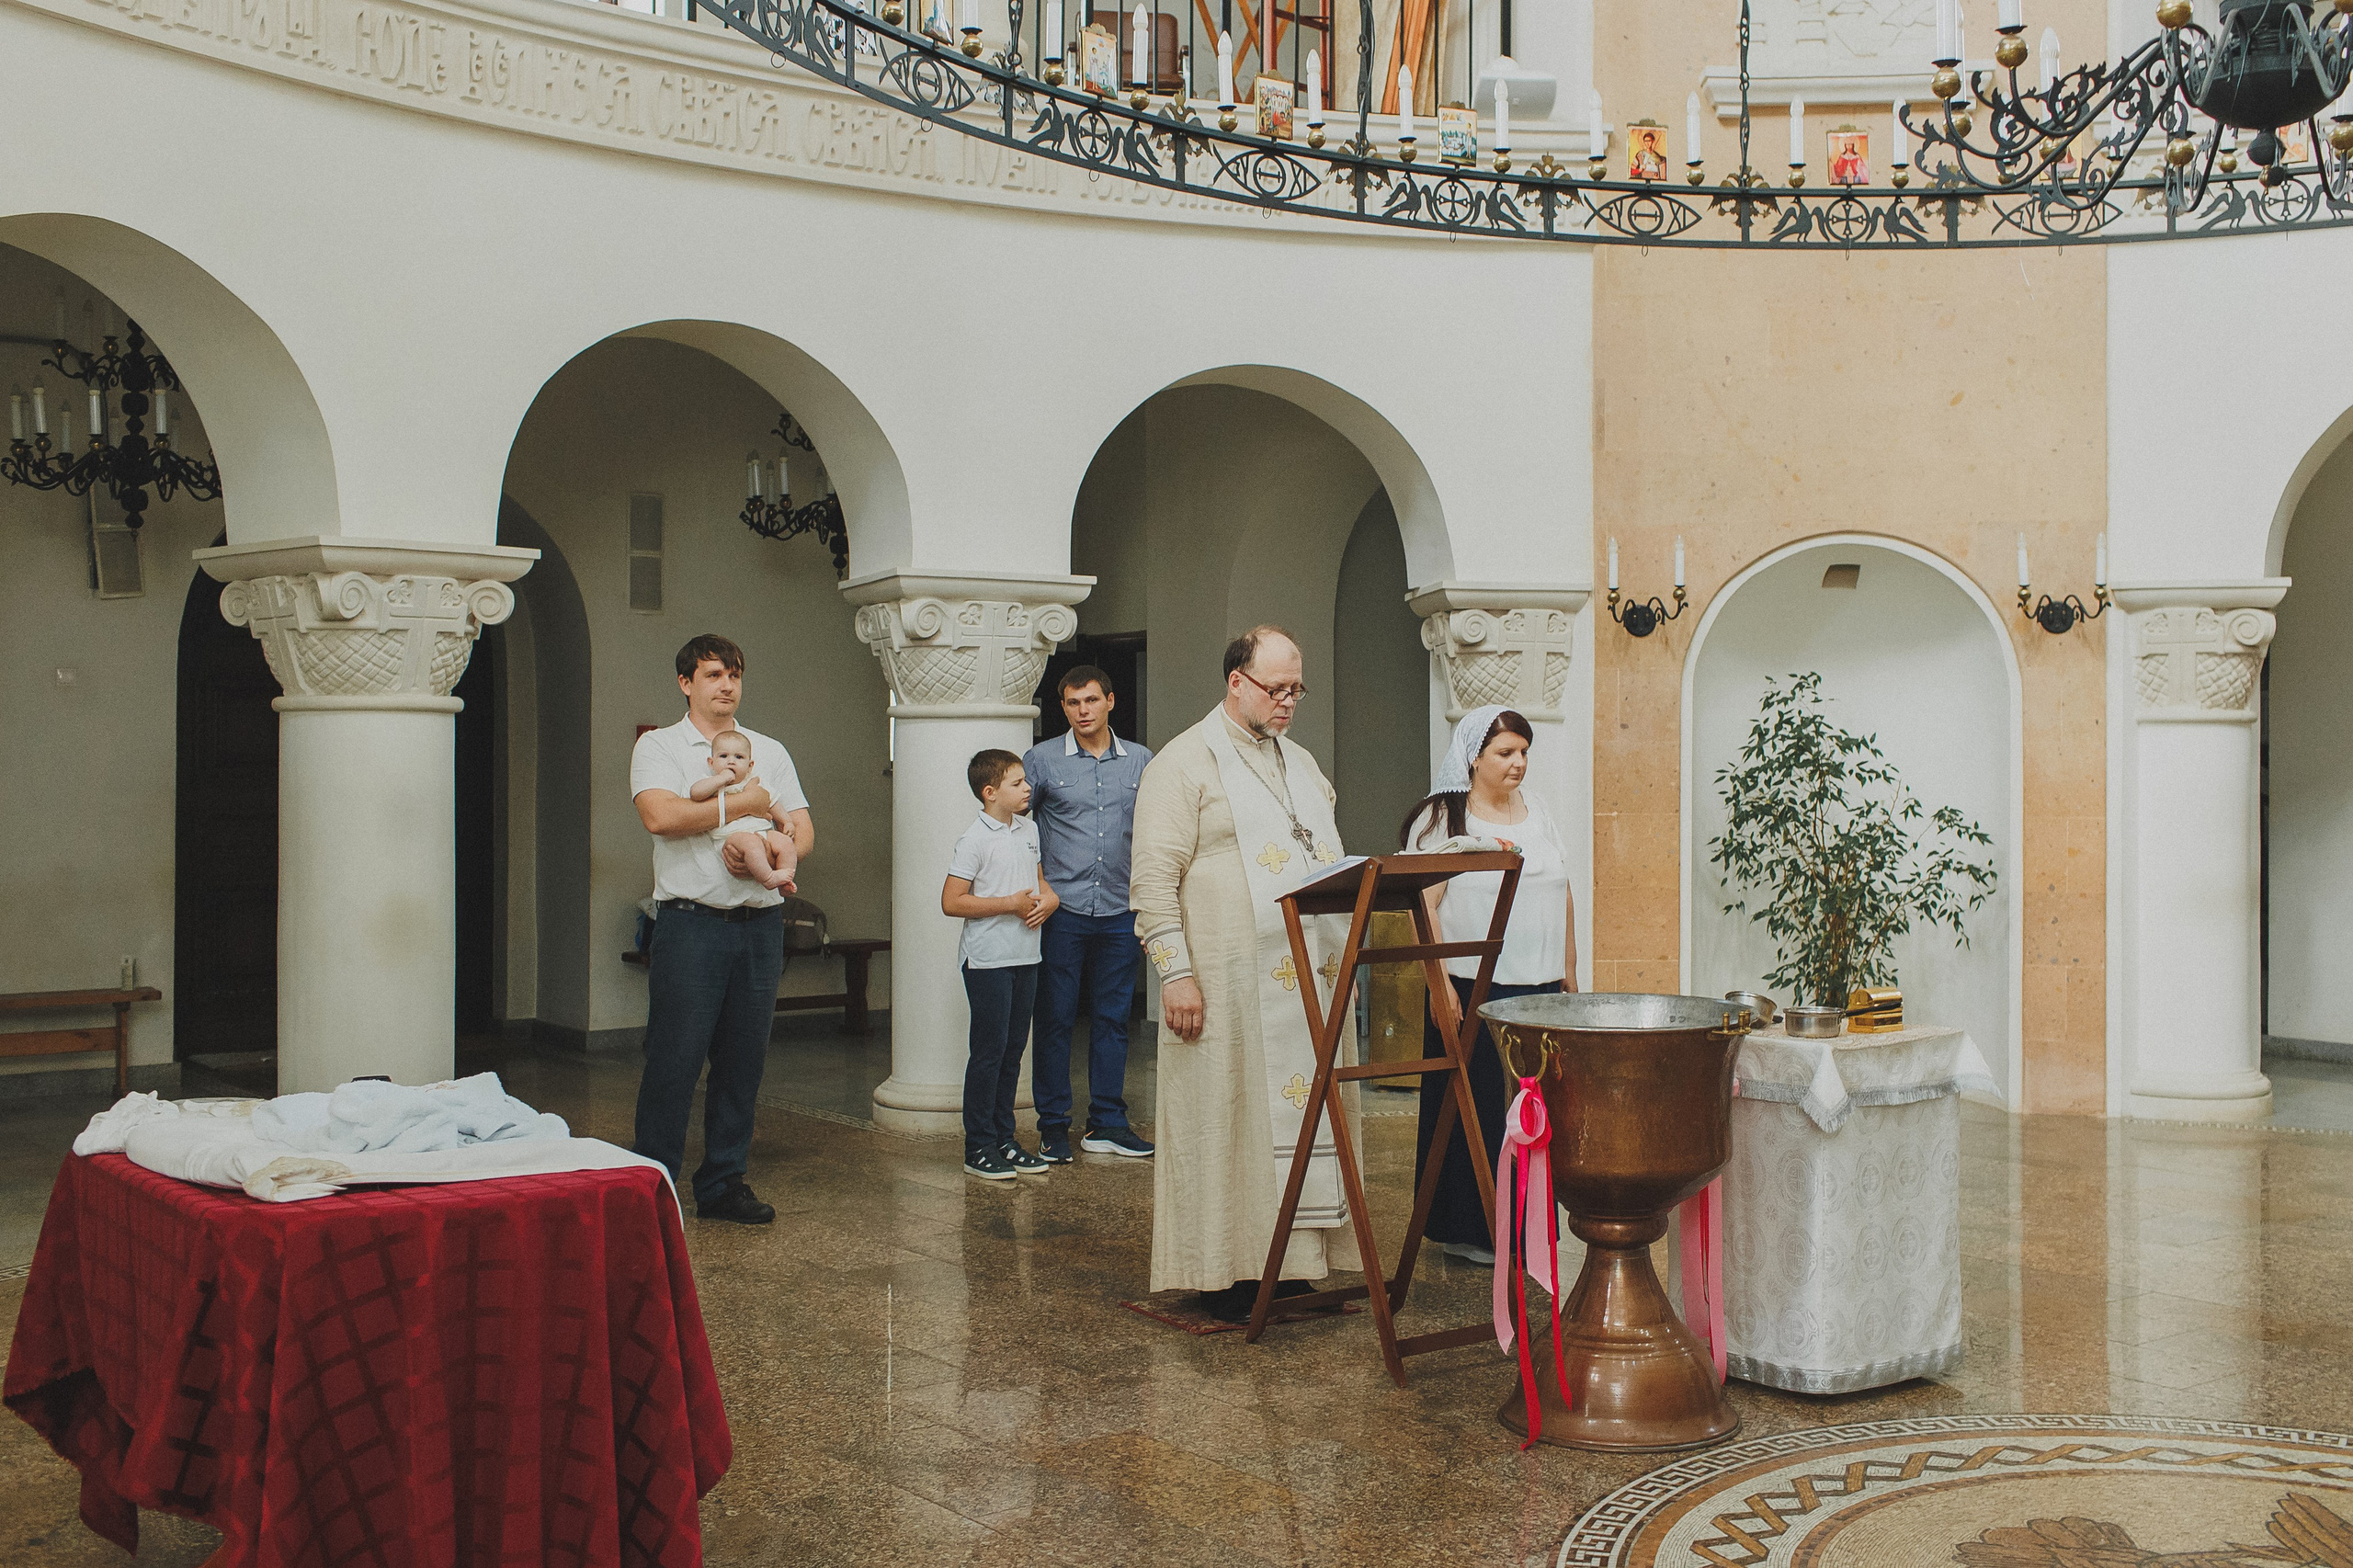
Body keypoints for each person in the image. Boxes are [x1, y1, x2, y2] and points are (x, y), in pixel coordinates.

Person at [1131, 626, 1359, 1324]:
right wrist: (1175, 974)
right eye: (1276, 690)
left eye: (1297, 690)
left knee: (1302, 1112)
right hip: (1225, 983)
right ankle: (1224, 1270)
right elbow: (1150, 881)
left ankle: (1294, 1266)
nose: (1289, 703)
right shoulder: (1184, 764)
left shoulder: (1299, 760)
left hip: (1309, 978)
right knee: (1225, 1120)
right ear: (1237, 681)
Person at [629, 633, 814, 1224]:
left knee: (743, 1061)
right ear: (687, 683)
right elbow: (663, 817)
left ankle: (724, 1183)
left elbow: (804, 828)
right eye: (712, 675)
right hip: (691, 925)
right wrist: (743, 806)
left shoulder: (768, 749)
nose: (726, 685)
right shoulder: (661, 746)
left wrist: (775, 846)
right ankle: (653, 1184)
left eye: (734, 674)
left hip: (758, 925)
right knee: (674, 1059)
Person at [1401, 704, 1578, 1265]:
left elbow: (1563, 894)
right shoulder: (1442, 819)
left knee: (1537, 1112)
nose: (1518, 763)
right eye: (1505, 753)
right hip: (1475, 989)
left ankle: (1528, 1226)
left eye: (1524, 752)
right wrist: (1438, 986)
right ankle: (1473, 1229)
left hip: (1541, 988)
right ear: (1473, 757)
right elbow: (1420, 906)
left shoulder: (1538, 810)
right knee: (1478, 1110)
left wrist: (1571, 976)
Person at [1023, 666, 1156, 1165]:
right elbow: (1018, 830)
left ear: (1110, 702)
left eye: (1091, 701)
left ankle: (1108, 1122)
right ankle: (1053, 1126)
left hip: (1121, 910)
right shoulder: (1040, 761)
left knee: (1113, 1018)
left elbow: (1157, 832)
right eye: (1073, 702)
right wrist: (1040, 887)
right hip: (1064, 911)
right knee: (1055, 1018)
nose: (1083, 710)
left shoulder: (1142, 761)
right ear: (1064, 708)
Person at [942, 749, 1059, 1181]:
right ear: (990, 793)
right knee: (988, 1052)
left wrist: (1049, 897)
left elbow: (1039, 879)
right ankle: (979, 1146)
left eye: (1026, 781)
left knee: (1013, 1052)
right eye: (1017, 783)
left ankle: (1005, 1139)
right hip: (988, 960)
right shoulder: (974, 839)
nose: (1028, 788)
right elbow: (952, 901)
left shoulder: (1029, 830)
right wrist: (1008, 904)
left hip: (1027, 954)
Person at [688, 730, 800, 892]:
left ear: (750, 765)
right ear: (711, 763)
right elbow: (695, 793)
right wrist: (721, 779)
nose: (731, 762)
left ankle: (784, 882)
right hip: (732, 836)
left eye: (739, 757)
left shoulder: (756, 783)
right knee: (752, 844)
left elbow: (772, 802)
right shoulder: (713, 785)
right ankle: (768, 878)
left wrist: (786, 821)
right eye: (723, 756)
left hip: (762, 831)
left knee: (786, 844)